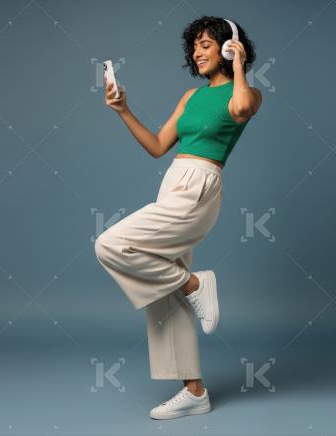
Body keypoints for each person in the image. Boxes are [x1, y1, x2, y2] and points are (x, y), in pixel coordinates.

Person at [94, 16, 262, 420]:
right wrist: (123, 110)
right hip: (172, 183)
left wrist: (239, 66)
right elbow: (157, 145)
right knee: (162, 294)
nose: (196, 52)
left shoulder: (249, 93)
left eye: (206, 44)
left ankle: (195, 284)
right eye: (194, 46)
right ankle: (194, 392)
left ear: (227, 47)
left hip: (200, 186)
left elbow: (239, 109)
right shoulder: (190, 96)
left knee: (111, 244)